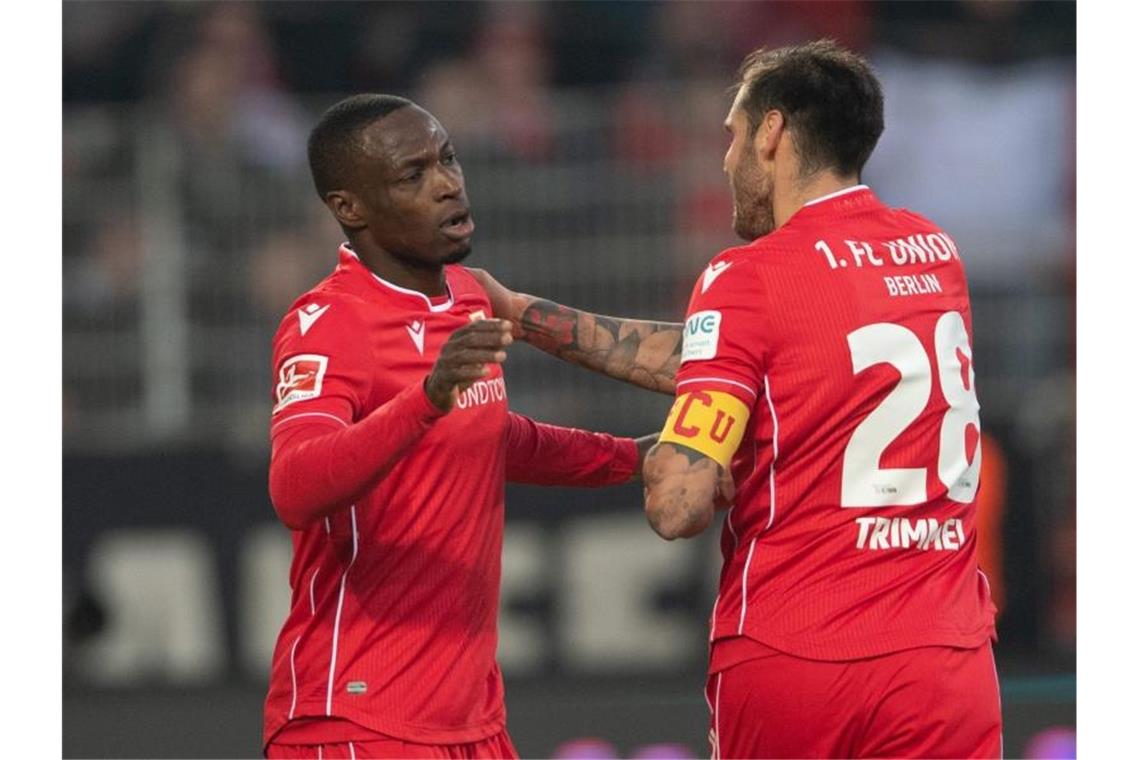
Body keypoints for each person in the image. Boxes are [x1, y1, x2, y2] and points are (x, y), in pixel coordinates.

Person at [474, 40, 1001, 758]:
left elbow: (679, 505)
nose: (725, 160)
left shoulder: (746, 276)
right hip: (946, 663)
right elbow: (761, 356)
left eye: (731, 135)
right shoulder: (933, 254)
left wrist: (667, 471)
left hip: (798, 658)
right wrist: (526, 314)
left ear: (773, 132)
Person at [262, 94, 653, 760]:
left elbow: (488, 433)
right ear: (349, 208)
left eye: (447, 159)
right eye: (412, 175)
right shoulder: (328, 324)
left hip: (471, 719)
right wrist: (427, 397)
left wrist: (632, 458)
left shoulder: (468, 296)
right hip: (358, 719)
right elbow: (294, 487)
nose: (446, 183)